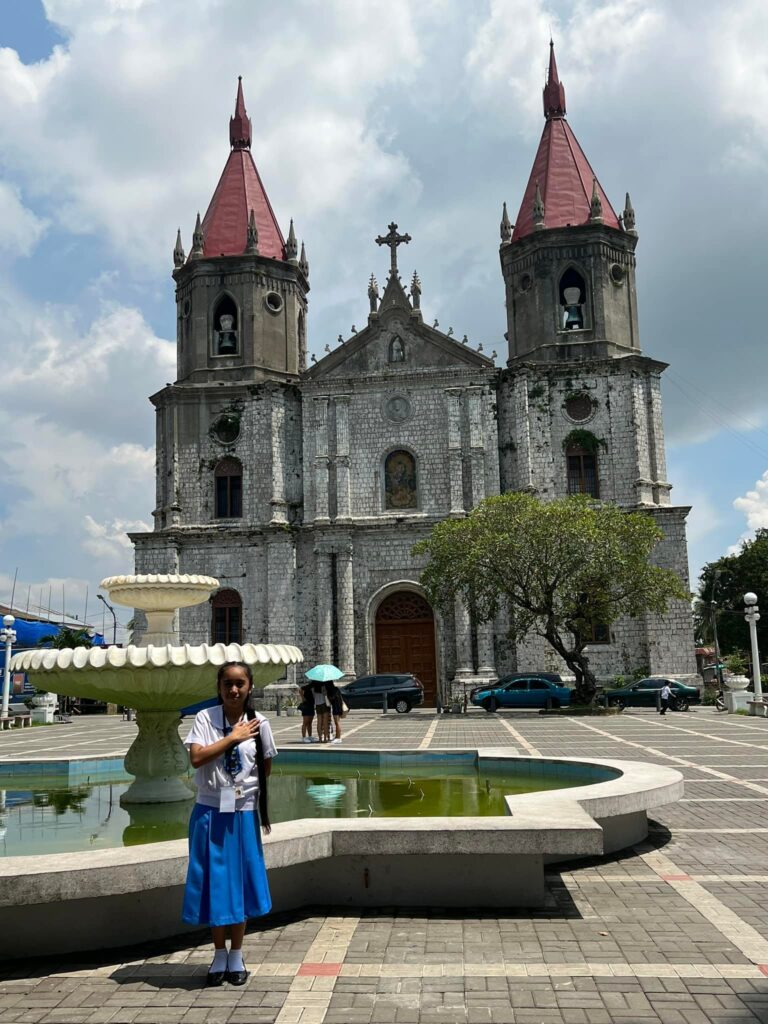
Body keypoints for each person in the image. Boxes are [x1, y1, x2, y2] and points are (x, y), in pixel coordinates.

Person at [182, 661, 276, 987]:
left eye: (240, 684)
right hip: (210, 811)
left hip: (243, 812)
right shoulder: (205, 718)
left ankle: (236, 953)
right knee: (215, 882)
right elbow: (196, 757)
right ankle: (218, 953)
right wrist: (233, 737)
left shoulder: (260, 723)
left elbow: (265, 767)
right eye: (227, 684)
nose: (234, 690)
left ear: (250, 687)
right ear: (219, 687)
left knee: (240, 882)